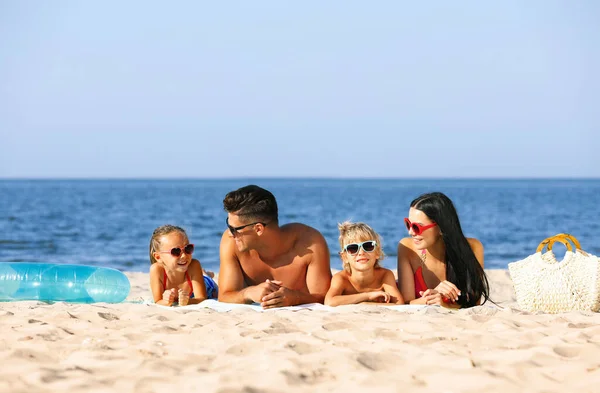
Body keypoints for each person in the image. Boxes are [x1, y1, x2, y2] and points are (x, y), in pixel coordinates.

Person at [218, 185, 332, 309]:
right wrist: (249, 292)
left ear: (258, 229)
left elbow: (325, 297)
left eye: (234, 229)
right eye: (229, 226)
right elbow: (224, 296)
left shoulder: (310, 243)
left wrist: (295, 298)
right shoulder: (231, 243)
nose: (230, 233)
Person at [397, 192, 489, 308]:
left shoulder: (473, 248)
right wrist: (431, 299)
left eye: (417, 227)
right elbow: (405, 304)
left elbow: (475, 304)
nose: (411, 232)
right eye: (408, 224)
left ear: (441, 228)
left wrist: (444, 304)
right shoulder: (407, 248)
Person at [325, 222, 404, 306]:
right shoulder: (341, 279)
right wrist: (368, 296)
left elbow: (399, 304)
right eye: (353, 248)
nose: (361, 252)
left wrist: (365, 304)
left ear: (377, 252)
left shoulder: (385, 276)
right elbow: (329, 302)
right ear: (344, 257)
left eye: (368, 246)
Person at [149, 224, 218, 306]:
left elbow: (202, 298)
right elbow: (158, 301)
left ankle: (206, 274)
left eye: (187, 248)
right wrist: (166, 301)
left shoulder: (193, 265)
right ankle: (204, 273)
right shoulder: (156, 270)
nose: (184, 256)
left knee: (210, 283)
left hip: (207, 286)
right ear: (158, 257)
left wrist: (188, 301)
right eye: (176, 251)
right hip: (193, 280)